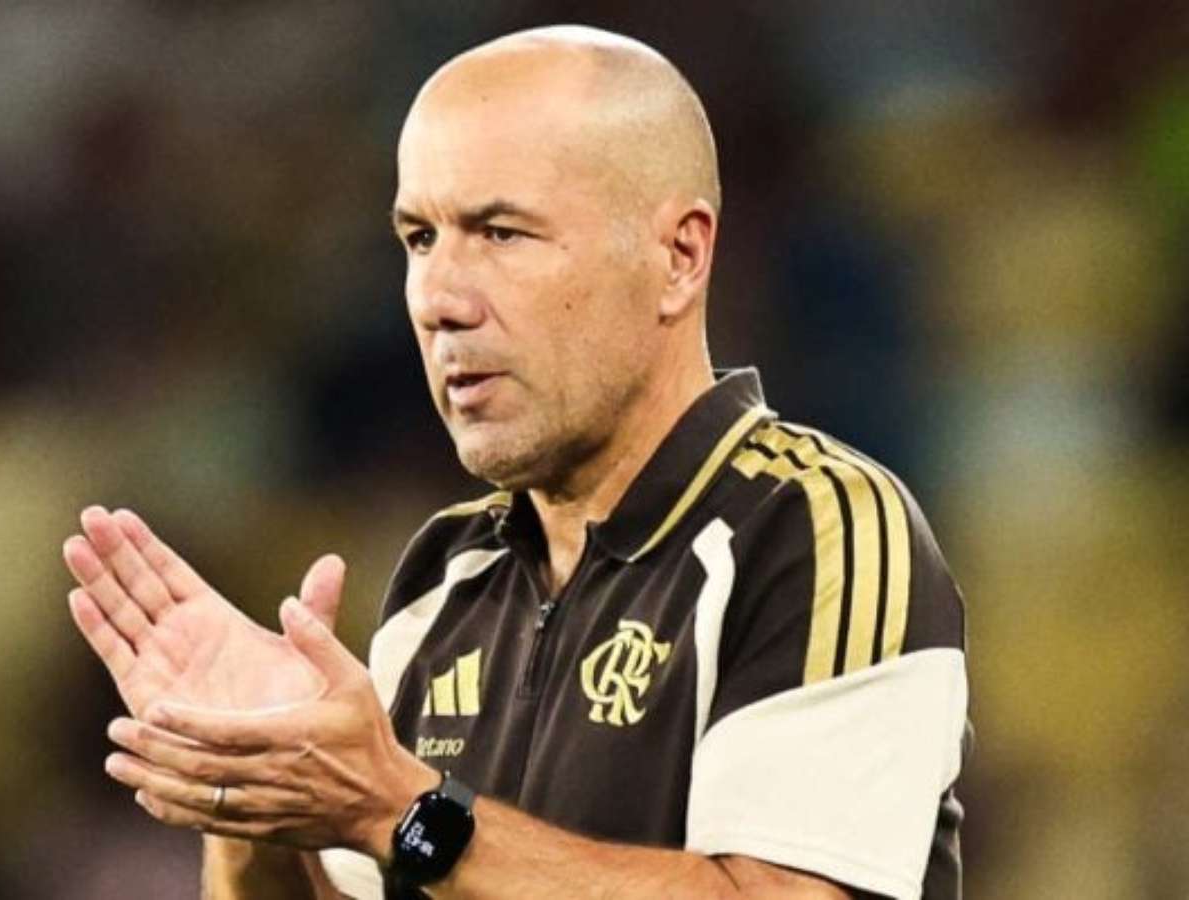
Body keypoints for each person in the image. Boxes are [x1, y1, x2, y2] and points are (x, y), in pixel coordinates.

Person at [63, 25, 968, 900]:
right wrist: (254, 795)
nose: (439, 299)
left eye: (501, 232)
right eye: (419, 239)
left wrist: (399, 809)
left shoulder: (815, 528)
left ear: (679, 255)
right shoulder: (443, 582)